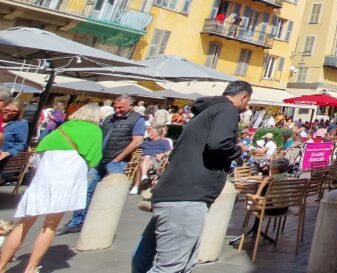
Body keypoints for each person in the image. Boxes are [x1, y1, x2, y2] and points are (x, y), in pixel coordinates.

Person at [132, 80, 252, 273]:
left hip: (172, 191)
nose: (246, 106)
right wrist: (237, 150)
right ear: (244, 97)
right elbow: (219, 143)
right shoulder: (228, 111)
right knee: (171, 266)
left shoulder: (204, 113)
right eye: (247, 102)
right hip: (190, 194)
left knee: (145, 259)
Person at [0, 103, 103, 273]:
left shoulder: (63, 127)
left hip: (44, 177)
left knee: (24, 223)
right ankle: (31, 268)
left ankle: (1, 266)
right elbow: (94, 159)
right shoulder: (94, 131)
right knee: (50, 225)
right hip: (68, 179)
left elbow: (40, 151)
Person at [60, 95, 146, 234]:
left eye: (120, 108)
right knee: (87, 190)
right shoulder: (109, 118)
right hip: (99, 158)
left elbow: (137, 141)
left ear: (130, 106)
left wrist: (119, 158)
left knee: (110, 193)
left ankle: (101, 224)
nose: (117, 110)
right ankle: (77, 222)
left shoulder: (137, 119)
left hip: (116, 161)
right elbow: (99, 135)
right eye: (116, 107)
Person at [131, 125, 174, 195]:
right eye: (149, 132)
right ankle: (143, 177)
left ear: (158, 133)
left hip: (156, 161)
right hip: (145, 161)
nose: (149, 133)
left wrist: (162, 154)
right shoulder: (146, 141)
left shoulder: (164, 142)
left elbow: (170, 151)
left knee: (145, 159)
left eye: (152, 132)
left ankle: (136, 186)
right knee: (145, 159)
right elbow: (136, 145)